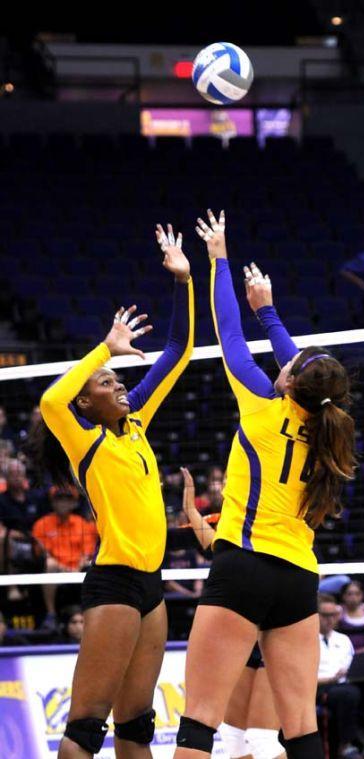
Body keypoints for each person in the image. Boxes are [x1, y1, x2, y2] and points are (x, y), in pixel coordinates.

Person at [173, 212, 356, 759]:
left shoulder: (260, 405)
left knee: (199, 721)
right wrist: (270, 312)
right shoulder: (332, 433)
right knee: (300, 730)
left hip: (244, 567)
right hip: (299, 579)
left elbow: (228, 331)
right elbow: (308, 373)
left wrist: (220, 258)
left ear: (289, 380)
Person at [32, 223, 194, 759]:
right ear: (88, 402)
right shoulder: (86, 440)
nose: (120, 386)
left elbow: (179, 347)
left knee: (136, 728)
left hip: (153, 586)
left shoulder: (137, 424)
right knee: (84, 730)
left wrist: (183, 280)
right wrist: (103, 349)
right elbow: (52, 402)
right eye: (107, 384)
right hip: (115, 584)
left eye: (119, 381)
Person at [180, 466, 286, 759]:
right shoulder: (232, 523)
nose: (225, 484)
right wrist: (189, 506)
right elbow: (213, 545)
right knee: (234, 737)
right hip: (239, 633)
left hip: (272, 632)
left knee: (261, 740)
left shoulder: (268, 513)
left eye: (229, 478)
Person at [317, 594, 364, 759]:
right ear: (315, 616)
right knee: (350, 693)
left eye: (333, 615)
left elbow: (353, 665)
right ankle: (346, 746)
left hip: (348, 683)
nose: (329, 620)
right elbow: (303, 679)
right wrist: (331, 679)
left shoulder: (343, 639)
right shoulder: (306, 641)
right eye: (325, 615)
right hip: (322, 687)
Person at [32, 484, 97, 627]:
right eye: (59, 498)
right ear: (52, 502)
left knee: (91, 565)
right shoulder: (41, 524)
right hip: (56, 569)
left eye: (68, 498)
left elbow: (87, 553)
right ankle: (51, 614)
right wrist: (63, 567)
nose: (63, 502)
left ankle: (92, 616)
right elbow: (42, 554)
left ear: (74, 503)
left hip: (79, 569)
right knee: (50, 564)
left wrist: (78, 566)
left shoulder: (82, 524)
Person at [338, 580, 364, 653]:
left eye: (357, 594)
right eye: (349, 594)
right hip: (344, 652)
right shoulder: (338, 611)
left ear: (362, 595)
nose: (353, 597)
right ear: (343, 596)